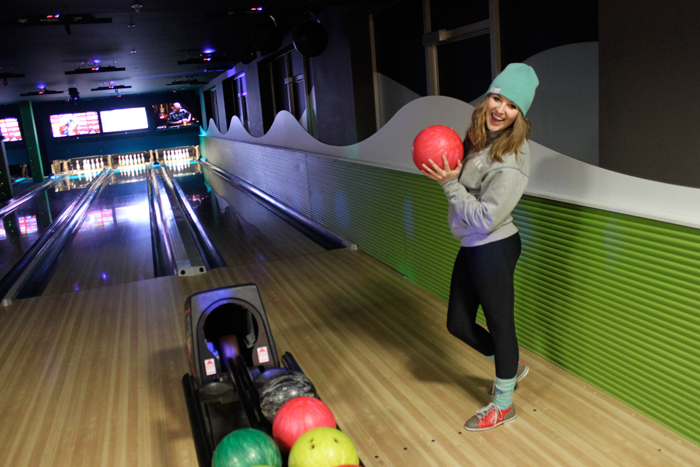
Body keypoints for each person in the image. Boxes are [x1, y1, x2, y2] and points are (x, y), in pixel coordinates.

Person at [421, 63, 539, 431]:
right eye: (497, 97)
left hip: (494, 245)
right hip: (473, 244)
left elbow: (486, 217)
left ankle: (503, 405)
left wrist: (450, 185)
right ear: (489, 97)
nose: (500, 109)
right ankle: (511, 365)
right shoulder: (476, 137)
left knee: (502, 327)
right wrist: (444, 169)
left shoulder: (514, 158)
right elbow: (456, 173)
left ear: (520, 115)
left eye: (512, 105)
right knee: (457, 323)